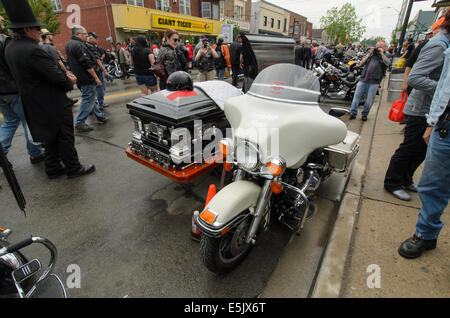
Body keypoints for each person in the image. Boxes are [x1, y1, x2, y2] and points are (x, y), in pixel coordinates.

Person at [2, 0, 95, 179]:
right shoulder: (33, 50)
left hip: (33, 101)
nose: (40, 32)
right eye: (37, 29)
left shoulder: (11, 48)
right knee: (65, 136)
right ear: (27, 29)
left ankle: (52, 167)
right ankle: (73, 168)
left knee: (51, 136)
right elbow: (57, 77)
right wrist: (70, 80)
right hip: (52, 102)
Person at [398, 10, 450, 259]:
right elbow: (439, 85)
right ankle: (426, 234)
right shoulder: (441, 45)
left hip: (436, 119)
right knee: (432, 184)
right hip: (444, 123)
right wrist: (433, 121)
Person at [384, 16, 449, 202]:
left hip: (429, 109)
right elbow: (415, 77)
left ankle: (405, 179)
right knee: (410, 148)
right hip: (421, 108)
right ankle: (392, 182)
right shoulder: (440, 46)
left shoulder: (441, 43)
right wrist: (443, 89)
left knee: (421, 149)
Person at [0, 14, 44, 165]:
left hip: (2, 92)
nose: (2, 20)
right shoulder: (4, 41)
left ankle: (2, 151)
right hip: (12, 89)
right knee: (27, 121)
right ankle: (35, 152)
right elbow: (12, 65)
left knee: (10, 122)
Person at [66, 25, 105, 132]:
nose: (86, 36)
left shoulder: (70, 44)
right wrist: (96, 77)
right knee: (88, 99)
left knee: (92, 98)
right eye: (85, 34)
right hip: (86, 77)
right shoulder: (78, 45)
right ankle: (80, 122)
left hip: (80, 76)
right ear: (77, 34)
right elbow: (86, 63)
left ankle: (100, 116)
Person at [349, 40, 390, 121]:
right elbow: (361, 64)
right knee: (356, 97)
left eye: (381, 47)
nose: (379, 48)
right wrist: (369, 53)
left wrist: (381, 53)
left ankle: (365, 114)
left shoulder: (385, 56)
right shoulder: (371, 55)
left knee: (369, 100)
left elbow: (388, 63)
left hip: (374, 82)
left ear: (384, 48)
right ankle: (353, 113)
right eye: (378, 46)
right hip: (363, 79)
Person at [86, 32, 110, 113]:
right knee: (100, 88)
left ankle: (97, 105)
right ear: (90, 38)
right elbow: (97, 60)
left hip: (94, 71)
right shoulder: (91, 47)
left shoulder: (88, 46)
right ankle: (99, 105)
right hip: (97, 71)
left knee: (97, 90)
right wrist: (105, 71)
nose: (97, 40)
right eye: (95, 38)